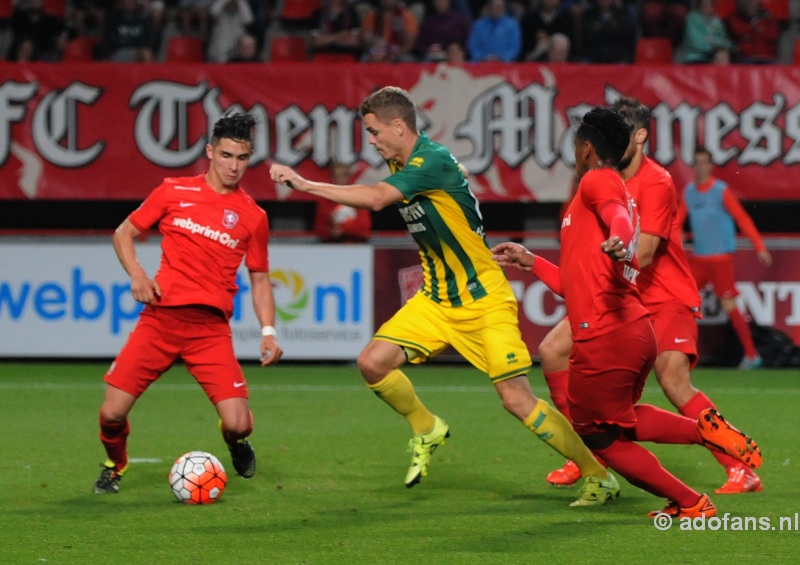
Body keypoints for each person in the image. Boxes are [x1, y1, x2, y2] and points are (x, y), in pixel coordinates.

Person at [270, 86, 621, 507]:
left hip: (482, 298)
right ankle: (426, 426)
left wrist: (305, 184)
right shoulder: (402, 160)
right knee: (373, 362)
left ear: (399, 126)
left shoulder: (430, 161)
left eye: (375, 131)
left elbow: (378, 198)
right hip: (436, 300)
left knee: (515, 398)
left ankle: (598, 475)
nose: (372, 141)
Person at [492, 106, 761, 518]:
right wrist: (532, 262)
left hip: (608, 330)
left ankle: (692, 497)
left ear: (585, 148)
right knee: (618, 422)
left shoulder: (599, 180)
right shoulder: (602, 184)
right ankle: (706, 435)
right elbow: (575, 281)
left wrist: (622, 239)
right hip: (628, 324)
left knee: (597, 433)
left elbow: (619, 217)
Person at [93, 113, 283, 494]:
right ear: (210, 152)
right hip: (160, 322)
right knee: (111, 412)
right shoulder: (173, 191)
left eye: (242, 158)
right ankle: (116, 463)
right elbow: (124, 233)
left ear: (250, 158)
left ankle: (234, 442)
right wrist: (138, 275)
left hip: (209, 332)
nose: (233, 166)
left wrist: (268, 331)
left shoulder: (253, 216)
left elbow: (259, 278)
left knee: (238, 423)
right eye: (226, 155)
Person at [680, 146, 772, 369]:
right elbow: (676, 220)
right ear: (693, 167)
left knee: (729, 304)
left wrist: (759, 246)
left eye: (704, 162)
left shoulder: (721, 191)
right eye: (697, 163)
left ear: (711, 166)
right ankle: (682, 354)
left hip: (720, 260)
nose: (700, 167)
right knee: (682, 303)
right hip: (699, 260)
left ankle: (751, 355)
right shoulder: (689, 193)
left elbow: (742, 218)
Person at [313, 162, 372, 242]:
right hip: (331, 247)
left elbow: (365, 229)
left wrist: (344, 230)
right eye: (335, 176)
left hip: (355, 247)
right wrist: (330, 232)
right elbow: (319, 228)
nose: (338, 179)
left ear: (349, 177)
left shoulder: (359, 199)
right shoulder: (325, 200)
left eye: (342, 176)